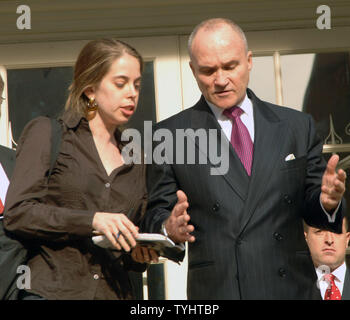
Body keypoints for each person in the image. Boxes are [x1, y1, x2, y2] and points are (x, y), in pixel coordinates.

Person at [142, 18, 347, 299]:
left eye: (230, 66)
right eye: (208, 70)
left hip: (290, 289)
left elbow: (315, 207)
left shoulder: (296, 127)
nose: (221, 80)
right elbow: (155, 213)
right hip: (221, 289)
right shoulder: (170, 135)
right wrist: (168, 227)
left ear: (249, 61)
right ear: (192, 70)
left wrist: (328, 203)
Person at [3, 39, 157, 300]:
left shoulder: (137, 157)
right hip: (52, 292)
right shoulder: (49, 133)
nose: (132, 93)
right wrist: (92, 220)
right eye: (120, 84)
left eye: (137, 84)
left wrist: (142, 253)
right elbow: (18, 213)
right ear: (91, 89)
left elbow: (130, 250)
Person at [304, 218, 350, 300]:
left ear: (347, 239)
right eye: (319, 231)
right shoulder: (287, 287)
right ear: (306, 238)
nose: (329, 240)